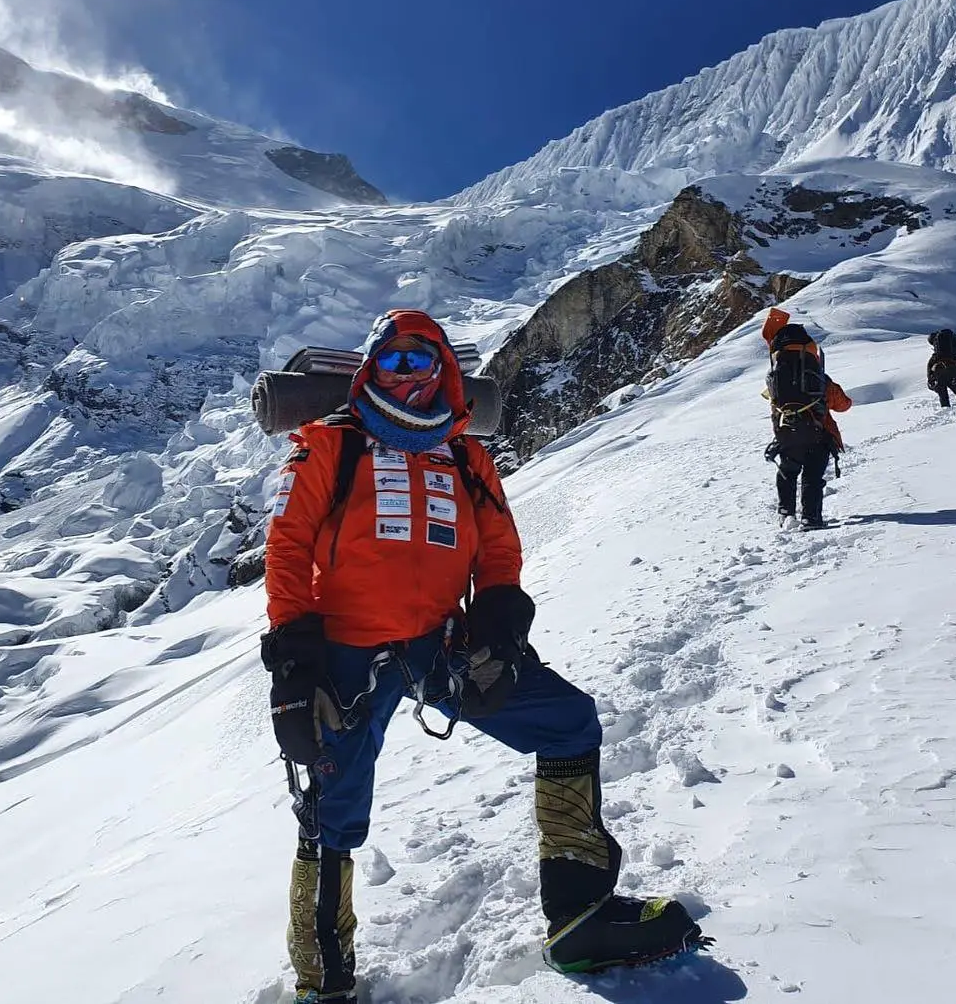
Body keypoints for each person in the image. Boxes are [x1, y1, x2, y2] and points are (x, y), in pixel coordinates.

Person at [260, 308, 705, 1003]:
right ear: (371, 368)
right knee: (332, 809)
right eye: (393, 360)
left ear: (444, 369)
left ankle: (580, 915)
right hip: (342, 657)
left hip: (445, 644)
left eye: (421, 359)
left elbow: (497, 546)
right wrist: (294, 664)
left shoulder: (466, 454)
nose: (407, 374)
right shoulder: (328, 444)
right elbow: (287, 549)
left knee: (566, 721)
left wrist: (497, 625)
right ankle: (325, 981)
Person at [761, 308, 852, 530]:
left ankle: (786, 514)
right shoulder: (819, 378)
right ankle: (811, 518)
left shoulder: (775, 378)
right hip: (817, 435)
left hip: (786, 436)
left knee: (788, 473)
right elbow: (843, 404)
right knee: (812, 477)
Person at [926, 329, 956, 407]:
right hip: (953, 370)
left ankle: (945, 408)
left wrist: (930, 379)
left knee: (942, 391)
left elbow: (930, 366)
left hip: (939, 371)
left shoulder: (936, 356)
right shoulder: (954, 351)